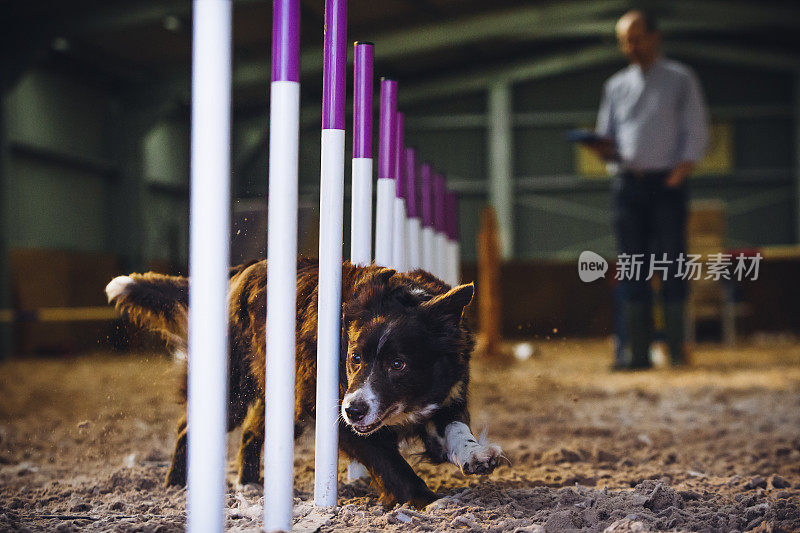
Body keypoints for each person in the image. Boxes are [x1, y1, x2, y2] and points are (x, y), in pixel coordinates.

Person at [587, 10, 708, 369]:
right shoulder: (615, 86)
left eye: (635, 38)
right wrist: (601, 148)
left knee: (671, 263)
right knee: (633, 266)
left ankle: (676, 350)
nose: (630, 46)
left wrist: (682, 169)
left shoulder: (680, 79)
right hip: (628, 184)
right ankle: (637, 354)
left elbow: (696, 127)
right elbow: (607, 134)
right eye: (624, 40)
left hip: (668, 183)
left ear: (655, 37)